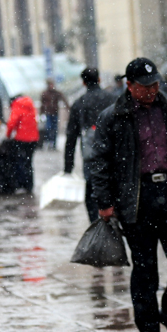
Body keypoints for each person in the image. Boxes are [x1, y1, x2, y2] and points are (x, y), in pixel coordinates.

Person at [90, 57, 167, 332]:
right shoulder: (112, 117)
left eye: (154, 84)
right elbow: (99, 164)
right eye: (144, 86)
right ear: (128, 85)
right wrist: (104, 202)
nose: (151, 90)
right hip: (136, 199)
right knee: (145, 268)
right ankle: (149, 327)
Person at [64, 67, 116, 223]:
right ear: (99, 79)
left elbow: (71, 137)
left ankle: (97, 225)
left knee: (93, 190)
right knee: (115, 187)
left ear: (83, 82)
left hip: (91, 156)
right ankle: (115, 225)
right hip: (113, 154)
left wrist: (68, 166)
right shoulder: (112, 99)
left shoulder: (79, 103)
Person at [7, 95, 39, 193]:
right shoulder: (30, 105)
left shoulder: (17, 106)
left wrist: (8, 134)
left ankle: (21, 184)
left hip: (22, 139)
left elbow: (12, 122)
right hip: (33, 139)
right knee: (29, 162)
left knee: (21, 161)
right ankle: (30, 185)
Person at [40, 78, 69, 149]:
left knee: (54, 128)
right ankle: (49, 141)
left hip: (54, 112)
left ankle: (53, 143)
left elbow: (63, 99)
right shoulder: (45, 93)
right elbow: (42, 104)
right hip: (48, 113)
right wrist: (42, 113)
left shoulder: (56, 93)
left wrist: (68, 107)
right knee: (49, 128)